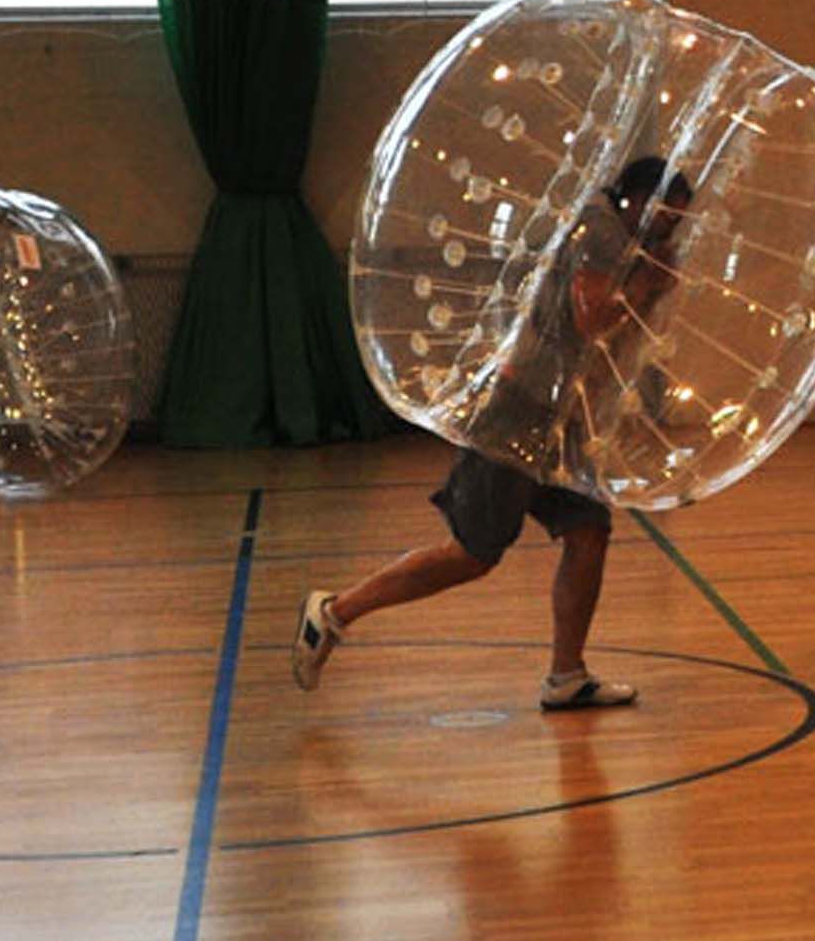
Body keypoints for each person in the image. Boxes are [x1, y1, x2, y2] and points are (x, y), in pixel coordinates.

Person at [291, 154, 695, 712]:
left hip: (560, 414)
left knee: (588, 532)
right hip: (518, 408)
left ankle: (566, 676)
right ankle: (333, 613)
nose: (668, 230)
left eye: (676, 222)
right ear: (637, 202)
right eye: (664, 219)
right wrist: (648, 283)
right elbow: (592, 320)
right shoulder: (603, 230)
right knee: (473, 554)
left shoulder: (625, 237)